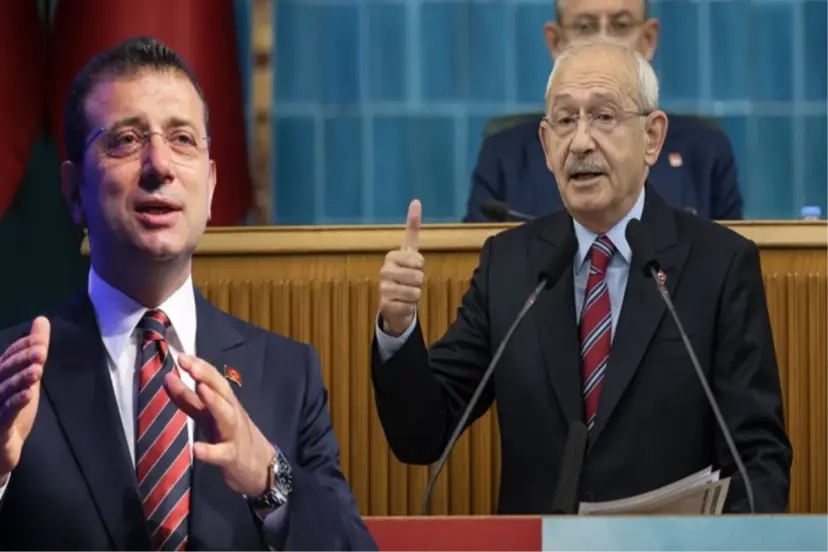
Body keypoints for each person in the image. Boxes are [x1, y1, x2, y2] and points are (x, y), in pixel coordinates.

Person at [373, 38, 791, 514]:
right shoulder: (509, 266)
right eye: (566, 120)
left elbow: (758, 461)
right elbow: (422, 434)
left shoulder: (720, 264)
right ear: (546, 144)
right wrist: (397, 329)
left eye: (604, 116)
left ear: (652, 137)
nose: (581, 142)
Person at [0, 37, 377, 552]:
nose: (160, 165)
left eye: (182, 139)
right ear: (73, 191)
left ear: (212, 185)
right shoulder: (10, 375)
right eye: (126, 140)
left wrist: (270, 479)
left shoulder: (289, 377)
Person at [463, 0, 743, 223]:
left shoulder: (706, 154)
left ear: (648, 39)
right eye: (586, 27)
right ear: (556, 42)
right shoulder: (505, 156)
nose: (604, 41)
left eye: (620, 25)